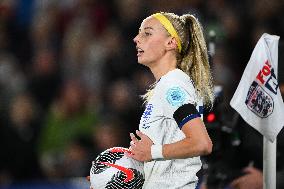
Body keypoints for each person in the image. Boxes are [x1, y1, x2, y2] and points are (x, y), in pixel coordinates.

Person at [128, 12, 214, 189]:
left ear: (171, 43)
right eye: (139, 32)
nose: (137, 38)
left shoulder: (173, 85)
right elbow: (159, 164)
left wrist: (151, 152)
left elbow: (201, 143)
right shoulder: (167, 85)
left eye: (147, 33)